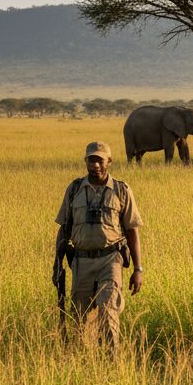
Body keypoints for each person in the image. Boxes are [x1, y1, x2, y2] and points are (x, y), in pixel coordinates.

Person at [53, 141, 144, 349]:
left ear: (109, 162)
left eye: (99, 160)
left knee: (108, 310)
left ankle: (112, 362)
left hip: (110, 260)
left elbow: (132, 230)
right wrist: (57, 264)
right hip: (81, 261)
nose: (95, 165)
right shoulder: (74, 189)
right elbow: (64, 227)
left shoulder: (121, 190)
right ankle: (82, 361)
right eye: (91, 159)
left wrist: (138, 269)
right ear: (85, 161)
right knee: (79, 318)